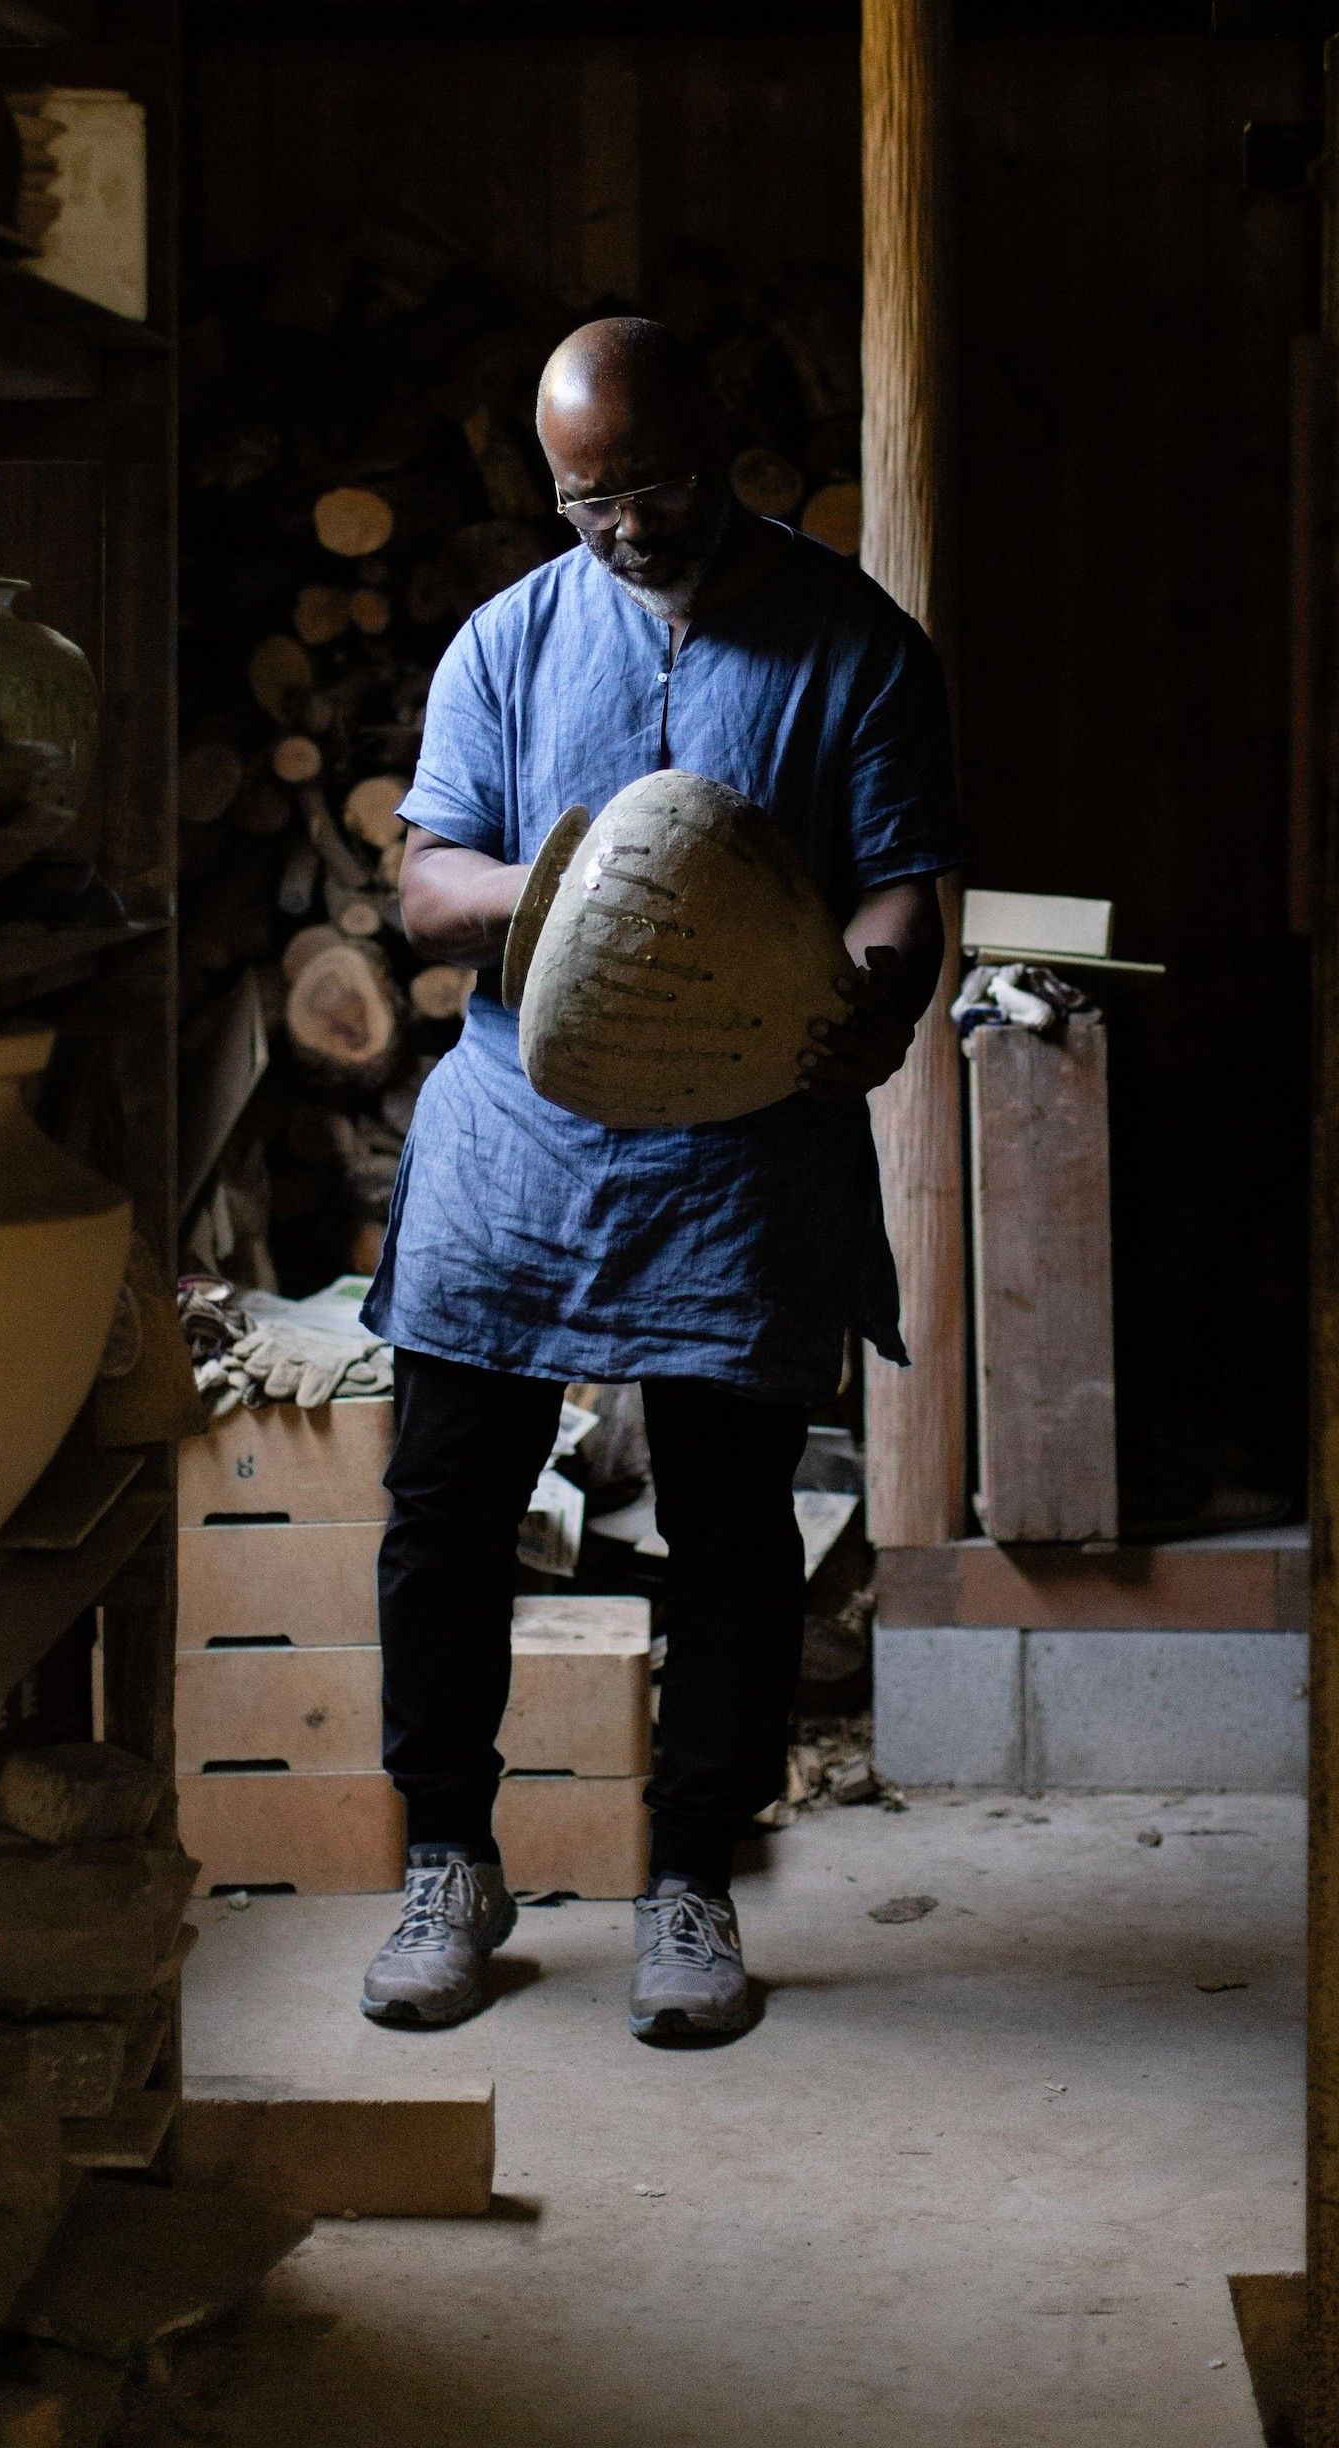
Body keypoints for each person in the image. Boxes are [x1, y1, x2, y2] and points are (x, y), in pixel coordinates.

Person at [358, 315, 958, 2043]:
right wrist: (594, 872)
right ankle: (449, 1858)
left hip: (746, 1132)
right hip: (519, 1127)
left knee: (729, 1525)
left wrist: (874, 990)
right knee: (445, 1505)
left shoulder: (856, 644)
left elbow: (903, 887)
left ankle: (691, 1878)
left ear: (728, 444)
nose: (627, 528)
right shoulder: (505, 639)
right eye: (585, 502)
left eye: (657, 487)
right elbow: (427, 885)